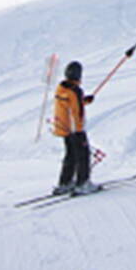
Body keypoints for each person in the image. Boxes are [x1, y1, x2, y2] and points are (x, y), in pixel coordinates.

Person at [52, 60, 97, 195]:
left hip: (64, 128)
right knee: (83, 155)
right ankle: (83, 183)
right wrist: (80, 130)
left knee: (71, 155)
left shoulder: (62, 88)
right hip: (75, 129)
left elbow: (71, 104)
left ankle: (64, 183)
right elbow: (78, 113)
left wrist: (83, 101)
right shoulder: (75, 91)